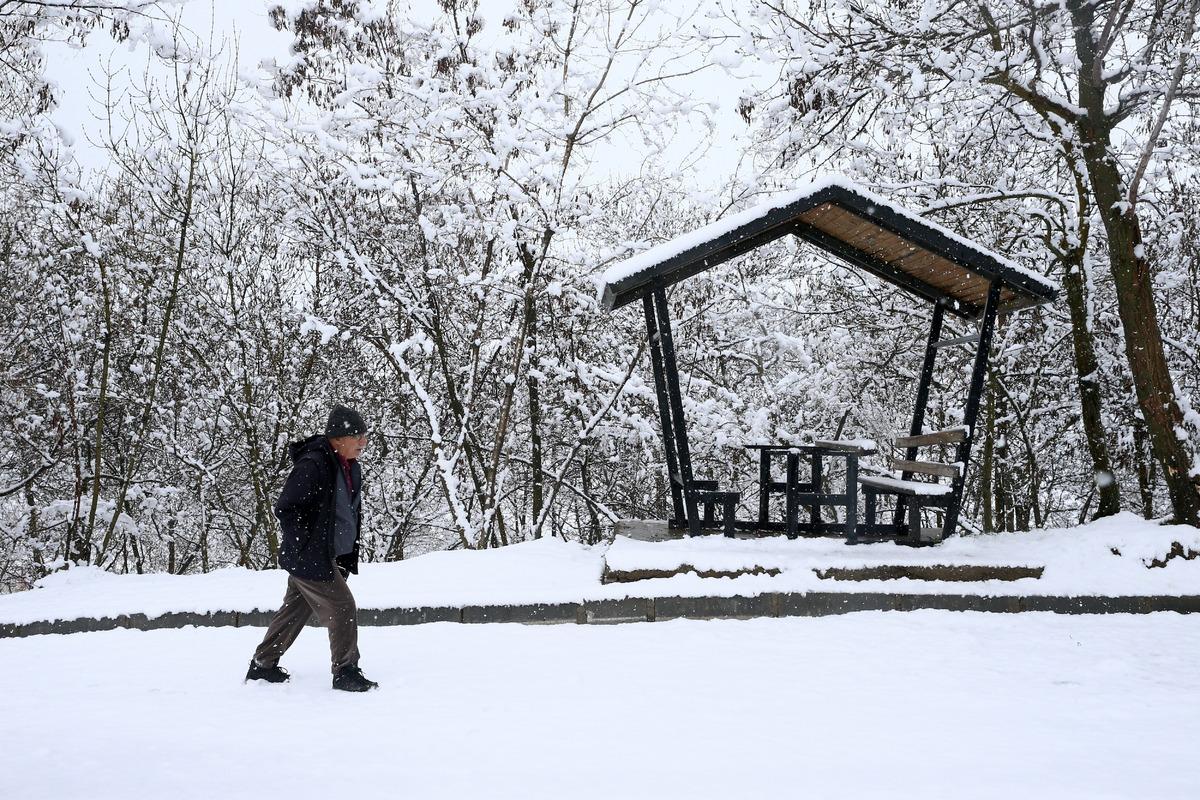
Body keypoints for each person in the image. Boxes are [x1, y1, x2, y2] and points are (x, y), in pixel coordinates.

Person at [245, 404, 379, 692]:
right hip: (310, 556)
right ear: (339, 438)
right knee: (343, 606)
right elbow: (286, 508)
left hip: (323, 555)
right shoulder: (314, 465)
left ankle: (262, 665)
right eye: (358, 436)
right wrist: (308, 546)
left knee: (296, 609)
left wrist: (340, 553)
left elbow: (346, 513)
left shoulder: (347, 468)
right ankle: (345, 671)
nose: (363, 442)